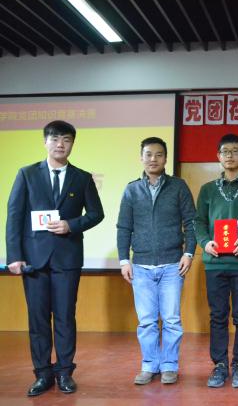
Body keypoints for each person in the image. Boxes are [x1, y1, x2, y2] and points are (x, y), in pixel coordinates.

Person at [6, 120, 104, 396]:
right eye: (55, 139)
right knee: (37, 320)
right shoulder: (27, 174)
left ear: (72, 144)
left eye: (67, 140)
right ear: (45, 142)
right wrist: (14, 256)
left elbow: (96, 214)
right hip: (33, 261)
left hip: (67, 259)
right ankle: (42, 374)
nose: (61, 144)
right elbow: (14, 216)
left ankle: (64, 372)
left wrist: (71, 225)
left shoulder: (82, 178)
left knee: (65, 317)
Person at [117, 137, 196, 385]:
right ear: (141, 157)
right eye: (149, 154)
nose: (153, 159)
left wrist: (188, 253)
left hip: (172, 265)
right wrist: (124, 260)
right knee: (147, 321)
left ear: (165, 158)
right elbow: (124, 227)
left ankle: (170, 366)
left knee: (171, 320)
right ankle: (149, 365)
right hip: (140, 266)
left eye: (159, 154)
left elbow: (191, 222)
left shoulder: (178, 186)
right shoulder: (131, 190)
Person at [194, 134, 238, 388]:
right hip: (214, 263)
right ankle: (219, 365)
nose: (230, 155)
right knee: (217, 316)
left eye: (235, 151)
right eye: (225, 151)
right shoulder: (207, 189)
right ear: (218, 156)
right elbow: (198, 222)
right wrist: (205, 242)